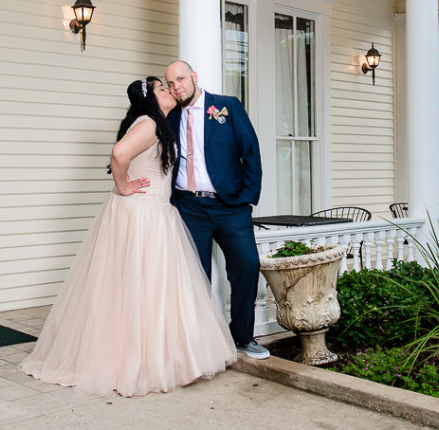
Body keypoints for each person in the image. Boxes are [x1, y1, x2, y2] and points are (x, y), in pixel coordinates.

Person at [20, 77, 237, 397]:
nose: (169, 91)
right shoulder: (148, 123)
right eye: (162, 88)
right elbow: (119, 153)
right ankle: (132, 362)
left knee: (149, 288)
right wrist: (123, 186)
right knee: (137, 286)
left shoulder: (157, 124)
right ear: (150, 99)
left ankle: (157, 358)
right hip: (141, 215)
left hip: (155, 213)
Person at [164, 60, 269, 360]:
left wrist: (247, 199)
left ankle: (243, 338)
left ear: (194, 77)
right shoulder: (170, 116)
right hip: (188, 206)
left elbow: (251, 151)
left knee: (247, 266)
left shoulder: (227, 106)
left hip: (230, 206)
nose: (176, 87)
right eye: (170, 83)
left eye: (181, 79)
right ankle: (197, 343)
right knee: (195, 275)